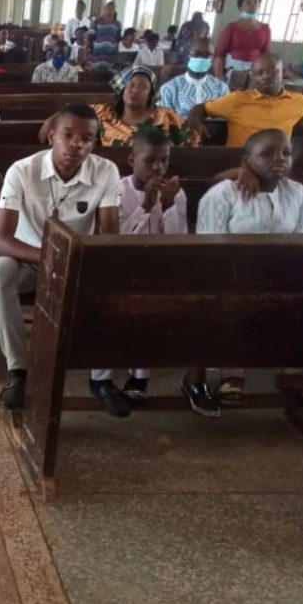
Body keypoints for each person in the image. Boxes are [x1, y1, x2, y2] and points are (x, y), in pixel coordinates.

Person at [0, 103, 128, 414]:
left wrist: (83, 261)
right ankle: (18, 370)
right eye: (68, 135)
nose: (76, 145)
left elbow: (108, 235)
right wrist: (46, 257)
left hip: (78, 262)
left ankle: (100, 379)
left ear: (94, 142)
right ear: (52, 135)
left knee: (111, 277)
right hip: (29, 260)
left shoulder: (105, 172)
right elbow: (0, 241)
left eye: (87, 138)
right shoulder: (22, 171)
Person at [185, 128, 303, 412]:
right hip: (231, 277)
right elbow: (210, 253)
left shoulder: (298, 193)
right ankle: (231, 372)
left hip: (281, 276)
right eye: (267, 153)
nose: (279, 159)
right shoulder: (223, 194)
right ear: (247, 159)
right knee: (231, 303)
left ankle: (292, 372)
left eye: (285, 153)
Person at [115, 128, 188, 404]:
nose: (158, 167)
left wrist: (168, 205)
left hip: (162, 264)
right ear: (131, 159)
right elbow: (117, 239)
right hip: (124, 264)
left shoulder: (175, 193)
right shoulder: (117, 190)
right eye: (150, 161)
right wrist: (146, 205)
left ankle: (143, 372)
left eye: (164, 160)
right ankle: (138, 374)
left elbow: (178, 241)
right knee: (139, 298)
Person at [187, 54, 303, 147]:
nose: (267, 76)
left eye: (273, 71)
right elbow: (199, 109)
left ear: (283, 72)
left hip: (276, 162)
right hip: (239, 160)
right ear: (252, 76)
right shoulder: (237, 99)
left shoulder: (299, 102)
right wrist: (194, 122)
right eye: (260, 73)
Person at [60, 66, 196, 147]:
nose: (135, 90)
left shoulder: (166, 116)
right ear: (122, 89)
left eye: (143, 87)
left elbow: (192, 143)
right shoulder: (103, 112)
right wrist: (54, 119)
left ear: (150, 94)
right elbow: (71, 113)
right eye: (131, 85)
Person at [157, 38, 229, 118]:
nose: (201, 58)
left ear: (212, 58)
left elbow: (225, 119)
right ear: (188, 55)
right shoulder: (170, 88)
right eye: (196, 54)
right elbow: (163, 121)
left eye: (207, 55)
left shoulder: (222, 89)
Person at [214, 0, 271, 80]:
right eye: (248, 2)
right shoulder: (231, 28)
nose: (253, 4)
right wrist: (219, 78)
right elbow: (219, 55)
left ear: (259, 5)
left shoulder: (265, 29)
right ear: (241, 7)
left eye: (256, 1)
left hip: (255, 73)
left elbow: (266, 55)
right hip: (232, 72)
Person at [88, 0, 122, 71]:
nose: (110, 9)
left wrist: (117, 56)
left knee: (107, 78)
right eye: (108, 7)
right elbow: (90, 38)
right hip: (97, 56)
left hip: (110, 56)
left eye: (112, 8)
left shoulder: (117, 24)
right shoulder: (96, 21)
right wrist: (87, 53)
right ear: (105, 9)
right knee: (95, 77)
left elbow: (118, 40)